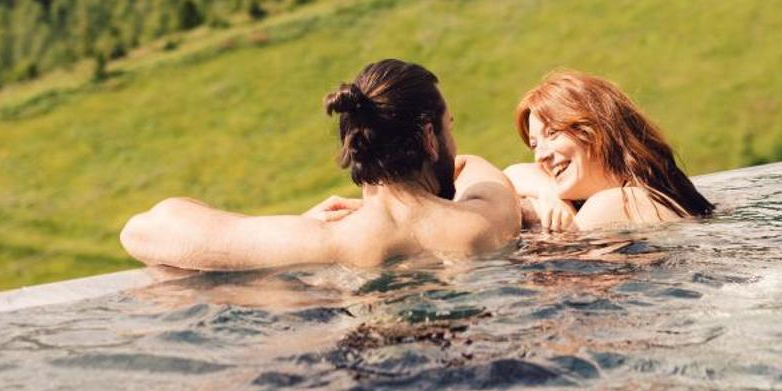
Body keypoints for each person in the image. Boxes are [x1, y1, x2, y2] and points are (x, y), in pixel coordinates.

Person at [119, 58, 519, 270]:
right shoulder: (483, 224)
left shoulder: (323, 241)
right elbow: (476, 169)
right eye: (450, 127)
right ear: (431, 138)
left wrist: (302, 223)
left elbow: (142, 231)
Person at [505, 69, 714, 232]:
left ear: (598, 131)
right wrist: (547, 193)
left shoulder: (612, 205)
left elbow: (563, 282)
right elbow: (510, 175)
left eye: (553, 133)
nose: (541, 155)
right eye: (534, 145)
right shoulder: (651, 194)